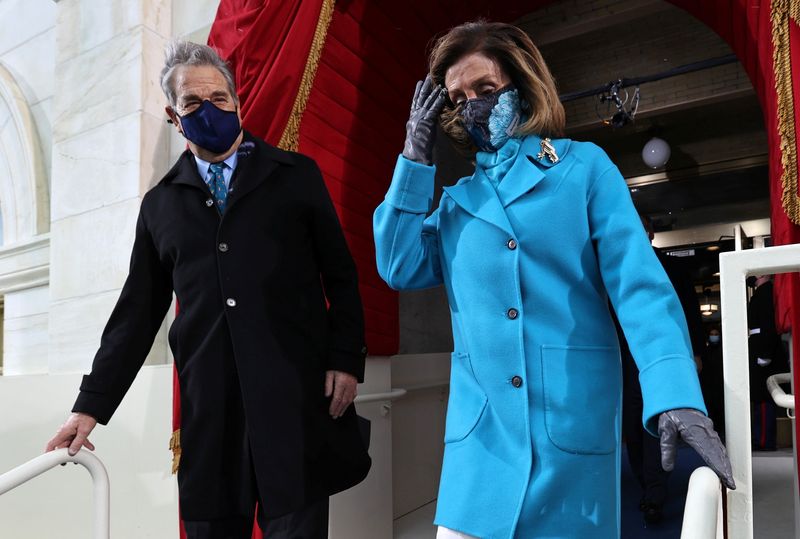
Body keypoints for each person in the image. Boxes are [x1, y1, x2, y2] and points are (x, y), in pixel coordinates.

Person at [373, 21, 733, 539]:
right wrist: (413, 160)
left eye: (486, 89)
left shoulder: (584, 169)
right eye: (458, 97)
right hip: (481, 446)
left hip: (570, 430)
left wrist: (674, 389)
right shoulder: (456, 202)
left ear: (521, 87)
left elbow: (639, 288)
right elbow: (398, 265)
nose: (471, 103)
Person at [45, 40, 370, 539]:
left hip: (293, 399)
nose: (209, 110)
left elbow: (342, 276)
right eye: (193, 103)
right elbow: (136, 314)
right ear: (175, 117)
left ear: (237, 102)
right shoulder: (160, 206)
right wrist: (88, 409)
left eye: (218, 98)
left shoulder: (295, 176)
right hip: (210, 410)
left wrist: (345, 359)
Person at [619, 216, 707, 525]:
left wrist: (695, 353)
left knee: (655, 421)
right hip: (627, 360)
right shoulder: (617, 268)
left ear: (651, 233)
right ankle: (646, 483)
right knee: (632, 423)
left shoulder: (674, 268)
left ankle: (653, 494)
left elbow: (690, 312)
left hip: (664, 356)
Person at [748, 275, 788, 451]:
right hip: (760, 346)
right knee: (760, 396)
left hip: (763, 349)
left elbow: (768, 324)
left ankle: (763, 439)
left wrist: (765, 353)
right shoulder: (763, 292)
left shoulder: (765, 292)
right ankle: (761, 437)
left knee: (763, 396)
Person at [701, 326, 726, 442]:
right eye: (712, 334)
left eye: (716, 334)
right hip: (709, 387)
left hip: (721, 387)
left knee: (721, 412)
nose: (714, 336)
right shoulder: (706, 352)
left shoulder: (724, 351)